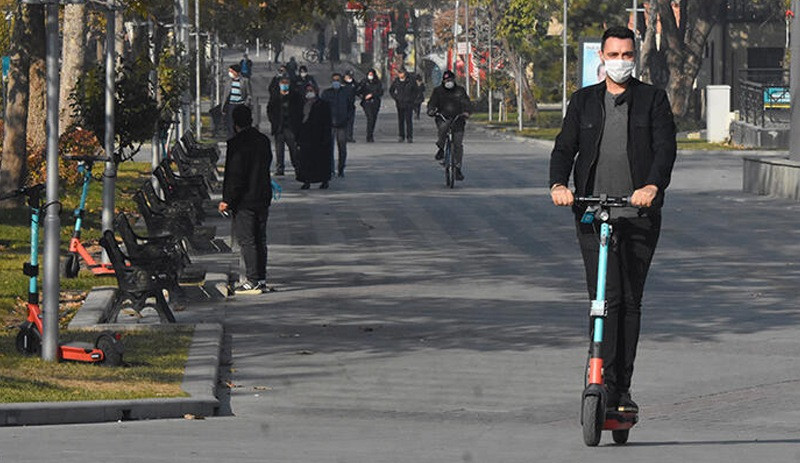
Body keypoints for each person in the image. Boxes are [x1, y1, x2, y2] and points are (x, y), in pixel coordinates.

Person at [548, 26, 677, 412]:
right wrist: (558, 184)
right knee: (603, 300)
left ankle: (621, 389)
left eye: (626, 55)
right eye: (613, 55)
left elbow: (665, 149)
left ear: (634, 57)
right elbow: (564, 146)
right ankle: (597, 376)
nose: (620, 62)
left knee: (630, 301)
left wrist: (652, 186)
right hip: (592, 213)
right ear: (601, 58)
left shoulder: (652, 100)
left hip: (637, 215)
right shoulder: (584, 102)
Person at [218, 105, 273, 295]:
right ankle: (262, 277)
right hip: (263, 196)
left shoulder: (236, 144)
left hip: (245, 200)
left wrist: (227, 200)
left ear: (235, 123)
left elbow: (235, 176)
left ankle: (252, 280)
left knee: (247, 240)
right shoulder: (263, 140)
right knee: (260, 238)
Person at [427, 70, 471, 181]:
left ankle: (457, 168)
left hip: (458, 120)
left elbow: (466, 103)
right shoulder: (438, 91)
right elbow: (432, 103)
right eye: (446, 80)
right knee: (443, 128)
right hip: (443, 118)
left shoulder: (460, 91)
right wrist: (431, 110)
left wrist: (466, 112)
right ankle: (441, 148)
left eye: (450, 80)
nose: (449, 82)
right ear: (443, 81)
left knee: (458, 145)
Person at [296, 84, 333, 190]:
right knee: (306, 161)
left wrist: (326, 137)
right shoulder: (302, 104)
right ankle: (306, 181)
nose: (309, 92)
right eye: (307, 90)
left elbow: (327, 122)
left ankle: (324, 180)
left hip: (320, 137)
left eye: (311, 90)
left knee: (321, 161)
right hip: (306, 138)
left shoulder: (323, 104)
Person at [321, 72, 355, 178]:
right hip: (329, 124)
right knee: (328, 148)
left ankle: (341, 168)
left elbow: (351, 107)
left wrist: (348, 119)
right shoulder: (326, 93)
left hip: (342, 124)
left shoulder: (346, 92)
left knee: (342, 148)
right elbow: (321, 108)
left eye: (338, 80)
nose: (336, 82)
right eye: (334, 80)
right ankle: (330, 168)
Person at [267, 75, 303, 176]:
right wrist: (273, 121)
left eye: (286, 83)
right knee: (279, 149)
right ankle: (280, 168)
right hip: (279, 127)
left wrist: (297, 123)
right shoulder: (275, 96)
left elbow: (300, 111)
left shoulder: (295, 96)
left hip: (291, 127)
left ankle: (297, 167)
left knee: (293, 149)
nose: (284, 86)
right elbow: (270, 109)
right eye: (282, 84)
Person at [222, 64, 252, 139]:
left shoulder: (245, 81)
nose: (230, 73)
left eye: (231, 71)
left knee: (241, 124)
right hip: (231, 105)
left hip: (240, 105)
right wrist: (224, 107)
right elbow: (225, 95)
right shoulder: (228, 81)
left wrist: (246, 104)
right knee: (231, 125)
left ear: (236, 72)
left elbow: (249, 94)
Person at [389, 68, 418, 143]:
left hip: (409, 103)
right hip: (400, 103)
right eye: (399, 73)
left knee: (408, 120)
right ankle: (401, 136)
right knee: (401, 120)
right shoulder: (396, 81)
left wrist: (412, 99)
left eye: (401, 73)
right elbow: (391, 90)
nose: (400, 75)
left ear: (404, 73)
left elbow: (416, 91)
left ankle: (409, 136)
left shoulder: (411, 80)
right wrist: (396, 97)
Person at [356, 68, 383, 142]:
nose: (370, 76)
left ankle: (371, 133)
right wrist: (363, 97)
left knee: (373, 119)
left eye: (372, 74)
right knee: (370, 118)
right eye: (369, 74)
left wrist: (372, 94)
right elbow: (358, 91)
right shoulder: (364, 82)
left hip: (375, 102)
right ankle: (369, 135)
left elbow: (380, 92)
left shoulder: (377, 82)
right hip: (366, 103)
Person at [343, 70, 357, 142]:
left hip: (351, 105)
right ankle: (343, 137)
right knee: (343, 122)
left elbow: (358, 91)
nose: (349, 77)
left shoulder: (354, 83)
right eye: (348, 76)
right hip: (343, 105)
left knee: (350, 122)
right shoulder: (342, 84)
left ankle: (349, 136)